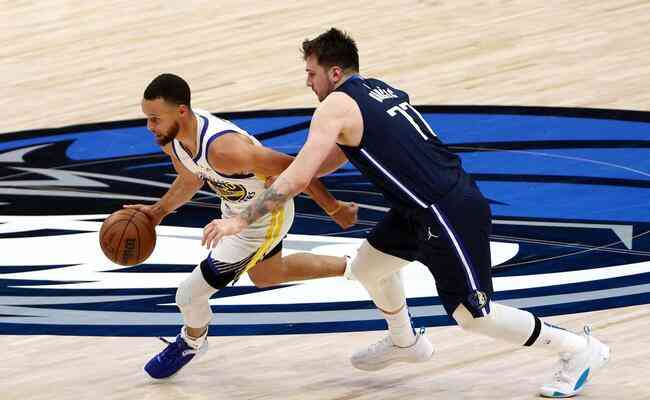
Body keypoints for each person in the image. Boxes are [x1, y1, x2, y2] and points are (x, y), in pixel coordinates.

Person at [201, 29, 610, 398]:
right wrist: (318, 190)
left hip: (446, 211)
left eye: (312, 73)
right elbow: (326, 162)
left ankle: (578, 349)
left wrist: (241, 218)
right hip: (418, 209)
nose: (307, 81)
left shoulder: (335, 107)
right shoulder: (378, 90)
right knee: (368, 267)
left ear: (336, 73)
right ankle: (405, 341)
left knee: (474, 316)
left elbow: (299, 175)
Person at [130, 73, 358, 380]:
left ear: (181, 112)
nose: (149, 127)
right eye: (148, 118)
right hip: (236, 211)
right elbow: (190, 179)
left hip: (264, 216)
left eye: (155, 118)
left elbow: (296, 170)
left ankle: (192, 341)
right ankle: (355, 266)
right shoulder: (174, 142)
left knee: (188, 296)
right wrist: (157, 213)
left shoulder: (225, 150)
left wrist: (334, 208)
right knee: (267, 274)